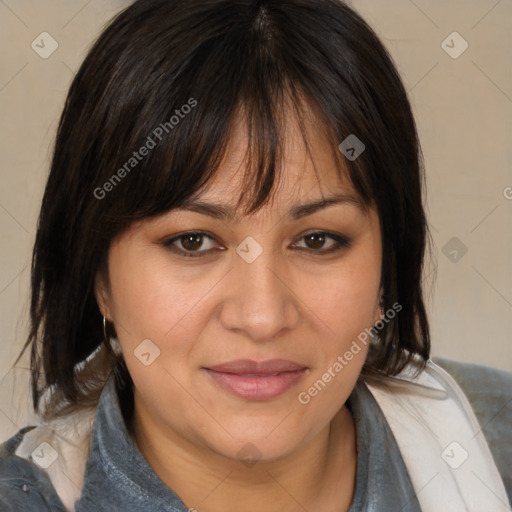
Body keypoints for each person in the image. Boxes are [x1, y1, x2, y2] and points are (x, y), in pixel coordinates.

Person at [0, 0, 510, 511]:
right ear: (99, 276)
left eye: (317, 240)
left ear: (387, 267)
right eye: (193, 241)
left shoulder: (494, 441)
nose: (263, 317)